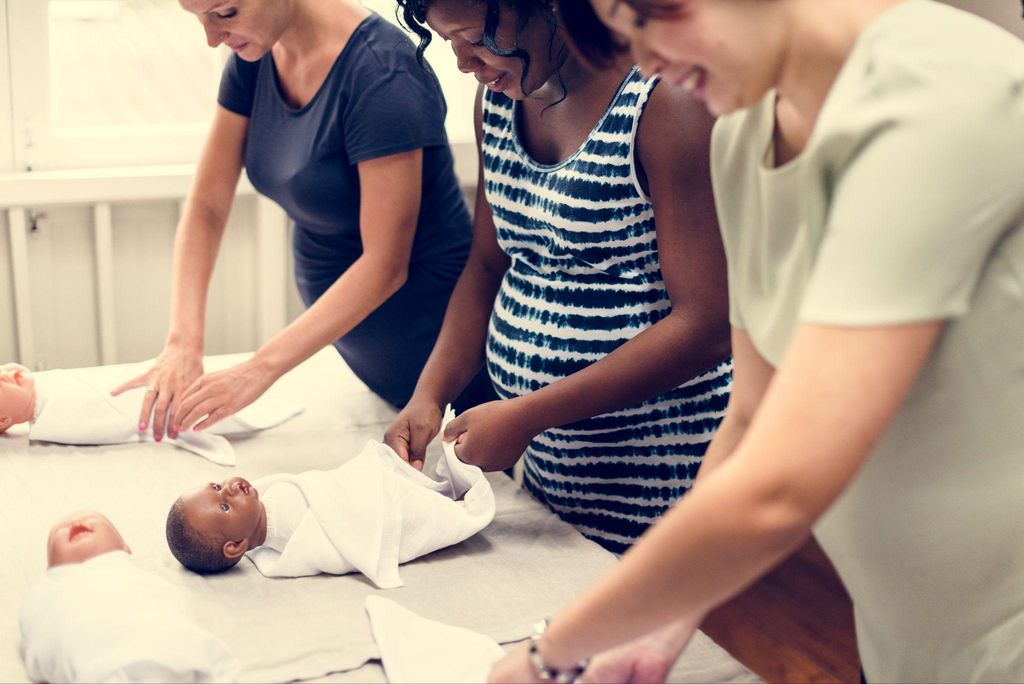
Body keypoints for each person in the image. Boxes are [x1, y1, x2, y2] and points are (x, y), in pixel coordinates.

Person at [487, 0, 1024, 682]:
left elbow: (782, 485)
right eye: (625, 36)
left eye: (648, 18)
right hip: (908, 635)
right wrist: (663, 623)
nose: (645, 62)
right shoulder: (744, 132)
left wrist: (545, 654)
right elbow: (748, 418)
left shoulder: (935, 93)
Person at [384, 0, 732, 554]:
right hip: (554, 467)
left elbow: (708, 324)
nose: (463, 63)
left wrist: (530, 413)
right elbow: (487, 264)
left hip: (662, 468)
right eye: (446, 41)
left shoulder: (664, 101)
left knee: (656, 628)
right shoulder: (497, 101)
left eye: (473, 37)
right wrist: (429, 395)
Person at [113, 0, 494, 441]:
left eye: (225, 13)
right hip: (365, 358)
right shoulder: (255, 54)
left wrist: (258, 370)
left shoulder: (383, 74)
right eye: (199, 18)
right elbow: (207, 206)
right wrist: (182, 343)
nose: (211, 37)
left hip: (434, 351)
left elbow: (385, 265)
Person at [166, 426, 494, 586]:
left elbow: (326, 483)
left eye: (217, 486)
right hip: (375, 510)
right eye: (225, 507)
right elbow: (342, 525)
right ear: (236, 545)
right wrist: (374, 489)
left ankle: (441, 490)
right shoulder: (289, 535)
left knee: (412, 484)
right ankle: (455, 502)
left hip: (359, 489)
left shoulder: (267, 499)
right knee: (425, 510)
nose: (230, 489)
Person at [19, 510, 239, 683]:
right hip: (102, 666)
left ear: (125, 549)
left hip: (174, 654)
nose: (75, 522)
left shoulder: (140, 577)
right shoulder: (51, 589)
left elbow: (172, 606)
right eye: (58, 531)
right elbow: (37, 628)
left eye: (94, 518)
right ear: (50, 568)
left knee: (203, 651)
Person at [0, 361, 300, 465]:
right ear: (4, 422)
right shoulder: (55, 420)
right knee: (184, 404)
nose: (6, 373)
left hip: (149, 378)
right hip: (151, 404)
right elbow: (109, 417)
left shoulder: (49, 384)